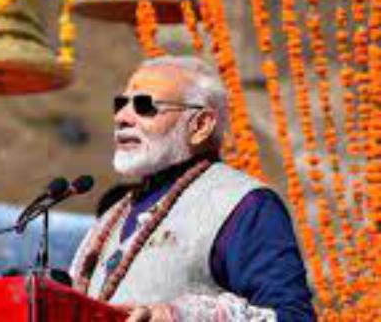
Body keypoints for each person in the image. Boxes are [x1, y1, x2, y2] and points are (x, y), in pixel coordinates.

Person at [69, 56, 315, 321]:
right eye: (120, 104)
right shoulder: (114, 215)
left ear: (200, 125)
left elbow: (293, 317)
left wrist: (182, 316)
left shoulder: (244, 205)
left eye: (144, 105)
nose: (121, 117)